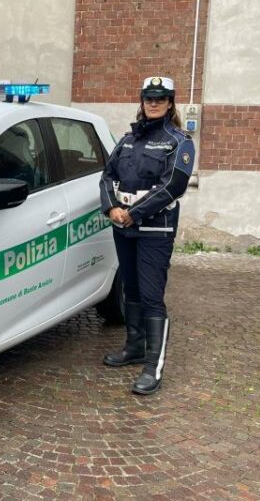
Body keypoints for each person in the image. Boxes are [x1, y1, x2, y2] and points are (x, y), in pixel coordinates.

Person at [99, 76, 195, 395]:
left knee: (152, 296)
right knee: (131, 289)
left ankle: (153, 366)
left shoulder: (179, 142)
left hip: (155, 228)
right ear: (142, 101)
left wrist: (134, 212)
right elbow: (107, 176)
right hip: (123, 226)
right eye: (148, 98)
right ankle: (134, 347)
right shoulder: (128, 140)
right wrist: (111, 207)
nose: (153, 103)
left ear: (170, 103)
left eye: (160, 98)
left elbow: (173, 186)